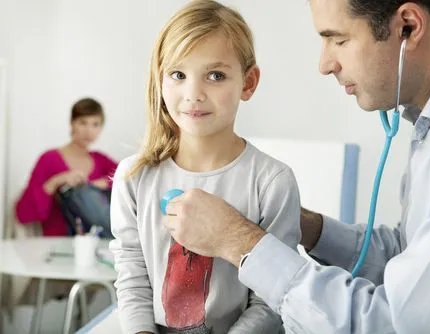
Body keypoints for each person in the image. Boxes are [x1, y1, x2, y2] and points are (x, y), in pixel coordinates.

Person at [163, 0, 430, 333]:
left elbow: (398, 324)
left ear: (408, 27)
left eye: (338, 40)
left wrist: (240, 242)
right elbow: (412, 263)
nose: (324, 64)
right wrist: (307, 227)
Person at [109, 1, 301, 334]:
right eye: (178, 75)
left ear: (248, 82)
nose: (193, 94)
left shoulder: (272, 183)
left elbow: (270, 301)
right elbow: (132, 279)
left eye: (215, 76)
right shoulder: (133, 178)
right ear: (160, 80)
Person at [15, 97, 117, 236]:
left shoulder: (101, 160)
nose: (88, 131)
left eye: (95, 124)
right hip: (61, 241)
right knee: (77, 192)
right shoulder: (49, 159)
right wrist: (56, 181)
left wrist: (100, 183)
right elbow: (23, 214)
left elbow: (130, 178)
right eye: (83, 123)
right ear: (72, 123)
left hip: (96, 245)